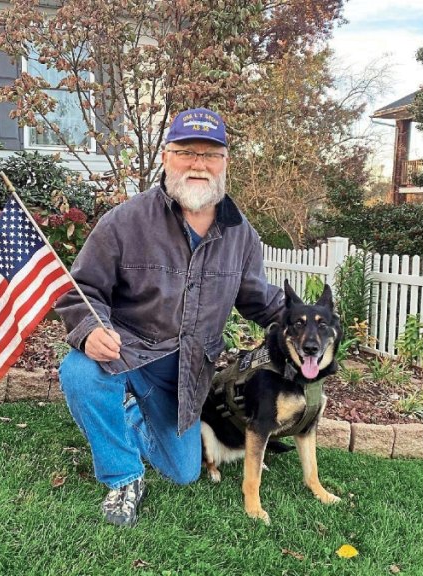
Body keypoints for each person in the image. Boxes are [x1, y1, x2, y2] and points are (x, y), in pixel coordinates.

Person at [53, 107, 285, 527]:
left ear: (225, 162)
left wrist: (308, 324)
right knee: (80, 372)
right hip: (125, 351)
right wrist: (90, 330)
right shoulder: (125, 221)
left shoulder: (241, 234)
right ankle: (123, 476)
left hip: (186, 370)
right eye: (186, 151)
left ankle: (132, 416)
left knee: (183, 472)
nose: (198, 163)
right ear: (166, 157)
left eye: (210, 154)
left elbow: (257, 299)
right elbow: (81, 290)